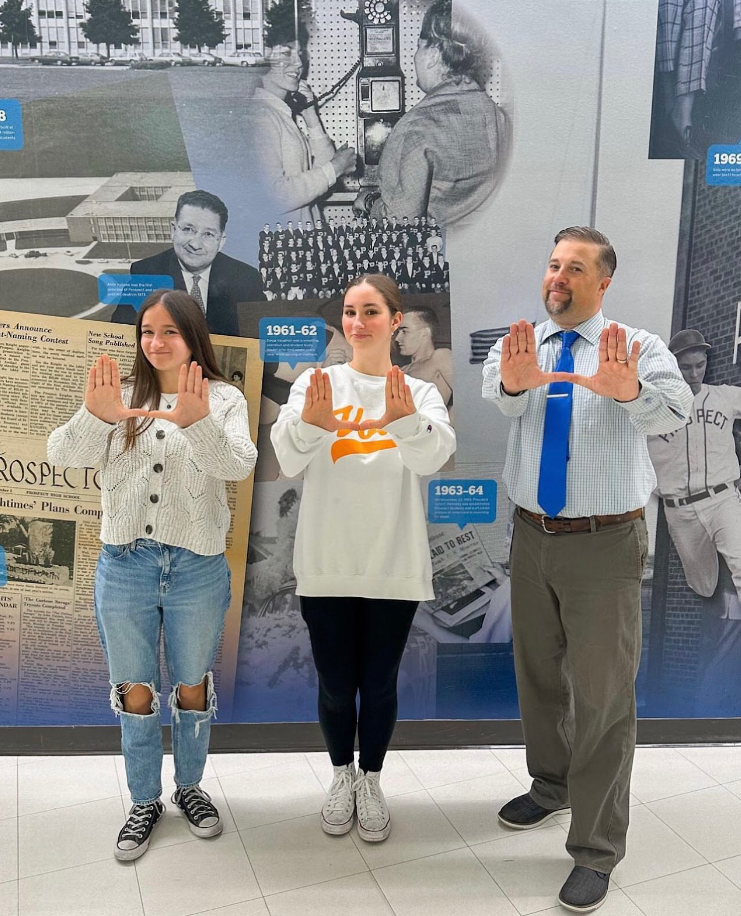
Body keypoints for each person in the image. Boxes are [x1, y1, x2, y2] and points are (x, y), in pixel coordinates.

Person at [481, 227, 693, 912]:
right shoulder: (521, 345)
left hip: (605, 544)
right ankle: (550, 786)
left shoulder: (636, 347)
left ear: (602, 282)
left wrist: (628, 391)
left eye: (574, 268)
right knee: (539, 676)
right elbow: (503, 398)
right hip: (531, 534)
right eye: (552, 264)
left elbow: (676, 413)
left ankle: (596, 849)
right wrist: (514, 384)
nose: (557, 276)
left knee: (602, 699)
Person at [48, 290, 258, 860]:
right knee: (135, 689)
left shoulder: (224, 398)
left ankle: (190, 788)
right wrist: (96, 418)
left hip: (196, 565)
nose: (156, 342)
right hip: (125, 566)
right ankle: (144, 800)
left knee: (192, 685)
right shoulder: (118, 398)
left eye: (169, 331)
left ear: (193, 336)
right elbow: (60, 454)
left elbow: (238, 465)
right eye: (146, 331)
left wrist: (200, 425)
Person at [271, 274, 455, 842]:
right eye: (351, 312)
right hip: (327, 561)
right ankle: (340, 776)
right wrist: (310, 424)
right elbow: (285, 458)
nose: (358, 322)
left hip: (392, 563)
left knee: (378, 684)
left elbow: (435, 457)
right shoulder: (316, 385)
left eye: (371, 311)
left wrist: (402, 422)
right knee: (333, 682)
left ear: (395, 320)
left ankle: (371, 779)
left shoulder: (418, 391)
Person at [647, 328, 741, 714]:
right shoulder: (653, 409)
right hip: (679, 509)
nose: (694, 372)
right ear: (674, 367)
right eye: (686, 366)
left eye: (699, 364)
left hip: (722, 497)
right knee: (702, 586)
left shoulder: (723, 396)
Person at [355, 0, 510, 226]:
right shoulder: (499, 117)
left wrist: (370, 203)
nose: (415, 56)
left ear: (434, 55)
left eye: (419, 46)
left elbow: (400, 221)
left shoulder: (417, 128)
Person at [248, 33, 356, 224]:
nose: (298, 63)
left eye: (299, 54)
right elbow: (273, 196)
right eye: (286, 53)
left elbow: (322, 176)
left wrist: (310, 114)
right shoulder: (260, 116)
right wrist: (336, 168)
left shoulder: (279, 112)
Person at [126, 190, 265, 337]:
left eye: (208, 234)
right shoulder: (145, 273)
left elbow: (264, 346)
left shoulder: (246, 278)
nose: (196, 244)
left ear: (221, 241)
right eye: (188, 229)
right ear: (173, 230)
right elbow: (124, 337)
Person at [396, 306, 453, 406]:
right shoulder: (401, 370)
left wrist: (445, 420)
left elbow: (465, 395)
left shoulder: (439, 357)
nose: (397, 338)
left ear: (425, 333)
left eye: (405, 331)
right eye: (398, 332)